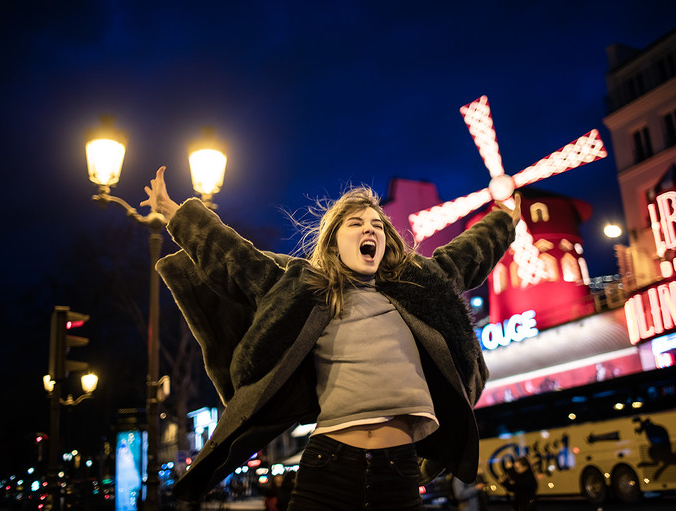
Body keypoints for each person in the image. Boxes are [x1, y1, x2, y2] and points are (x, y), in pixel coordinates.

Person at [141, 166, 520, 510]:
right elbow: (237, 260)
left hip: (400, 470)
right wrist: (178, 214)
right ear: (334, 242)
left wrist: (504, 220)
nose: (370, 229)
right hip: (328, 465)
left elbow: (466, 256)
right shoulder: (305, 293)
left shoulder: (421, 288)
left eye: (377, 225)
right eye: (356, 224)